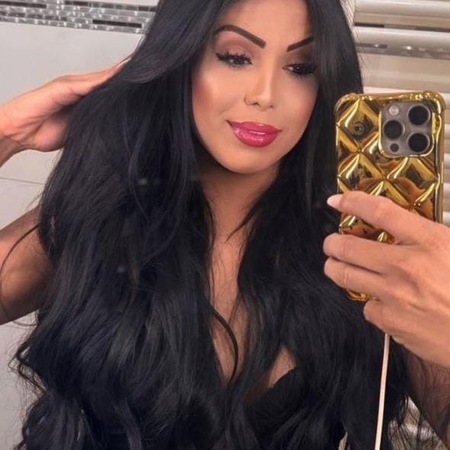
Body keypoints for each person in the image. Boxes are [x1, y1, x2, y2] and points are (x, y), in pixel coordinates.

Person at [0, 0, 449, 448]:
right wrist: (5, 133)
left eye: (301, 68)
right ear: (182, 59)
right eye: (235, 57)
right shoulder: (100, 215)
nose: (265, 94)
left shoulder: (371, 251)